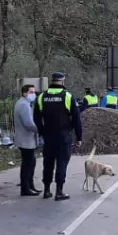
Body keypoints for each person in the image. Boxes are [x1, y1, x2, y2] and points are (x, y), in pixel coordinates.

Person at [34, 72, 82, 201]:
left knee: (48, 163)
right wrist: (78, 137)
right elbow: (77, 119)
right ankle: (59, 191)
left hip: (48, 136)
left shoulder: (42, 97)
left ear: (52, 81)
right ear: (62, 81)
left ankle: (47, 190)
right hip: (63, 136)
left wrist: (42, 132)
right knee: (62, 163)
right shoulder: (67, 96)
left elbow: (36, 118)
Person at [13, 84, 41, 196]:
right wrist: (39, 130)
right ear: (24, 93)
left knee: (31, 162)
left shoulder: (24, 103)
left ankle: (30, 185)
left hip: (26, 139)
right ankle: (25, 188)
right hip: (25, 139)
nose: (33, 94)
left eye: (34, 92)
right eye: (31, 92)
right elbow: (28, 123)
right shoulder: (24, 105)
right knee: (27, 164)